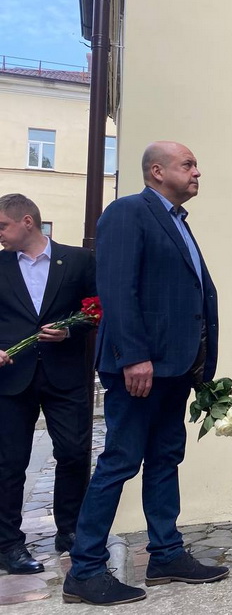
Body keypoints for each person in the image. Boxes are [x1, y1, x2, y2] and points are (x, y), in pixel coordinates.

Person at [62, 142, 227, 606]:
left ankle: (166, 555)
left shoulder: (177, 222)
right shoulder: (128, 212)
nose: (197, 172)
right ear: (157, 171)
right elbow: (116, 288)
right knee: (120, 461)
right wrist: (133, 356)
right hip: (141, 368)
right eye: (187, 165)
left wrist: (198, 364)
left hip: (174, 368)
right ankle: (85, 569)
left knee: (164, 458)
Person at [0, 194, 96, 575]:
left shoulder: (78, 260)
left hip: (65, 376)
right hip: (11, 379)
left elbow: (95, 309)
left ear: (27, 222)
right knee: (9, 463)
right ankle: (8, 544)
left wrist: (70, 330)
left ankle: (69, 531)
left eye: (3, 226)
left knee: (73, 453)